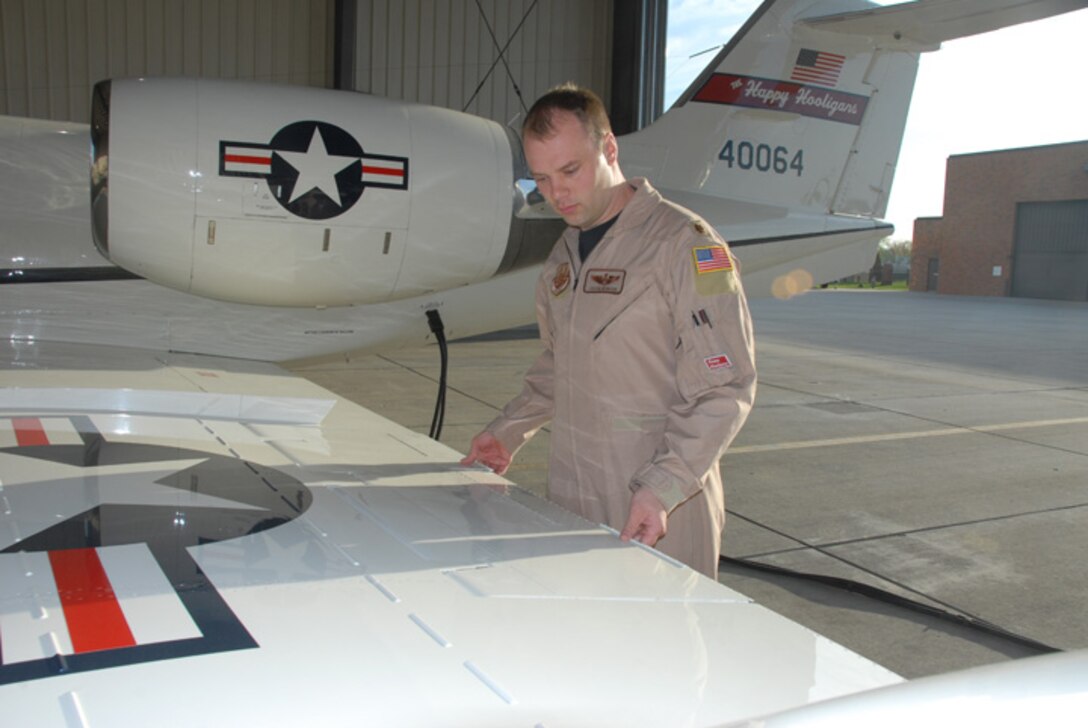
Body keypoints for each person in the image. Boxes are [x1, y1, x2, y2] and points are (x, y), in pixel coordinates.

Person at [461, 84, 756, 577]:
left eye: (571, 171)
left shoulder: (682, 243)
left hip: (658, 506)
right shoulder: (564, 255)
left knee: (664, 645)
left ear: (610, 149)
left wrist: (662, 487)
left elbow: (725, 388)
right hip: (573, 496)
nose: (557, 193)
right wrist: (507, 432)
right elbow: (559, 364)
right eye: (542, 179)